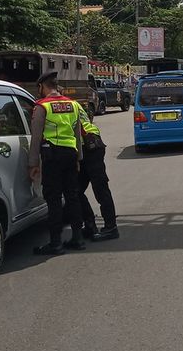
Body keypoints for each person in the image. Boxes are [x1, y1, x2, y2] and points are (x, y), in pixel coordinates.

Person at [29, 71, 85, 255]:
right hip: (70, 155)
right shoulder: (73, 104)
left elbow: (36, 138)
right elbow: (77, 134)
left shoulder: (42, 107)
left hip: (52, 157)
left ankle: (55, 243)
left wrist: (33, 164)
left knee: (53, 199)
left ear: (42, 87)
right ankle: (77, 238)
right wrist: (78, 159)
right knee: (72, 196)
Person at [76, 106, 120, 241]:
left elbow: (77, 130)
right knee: (76, 190)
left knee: (100, 188)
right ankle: (90, 224)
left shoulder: (62, 107)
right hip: (90, 143)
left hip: (90, 146)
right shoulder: (73, 104)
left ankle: (111, 228)